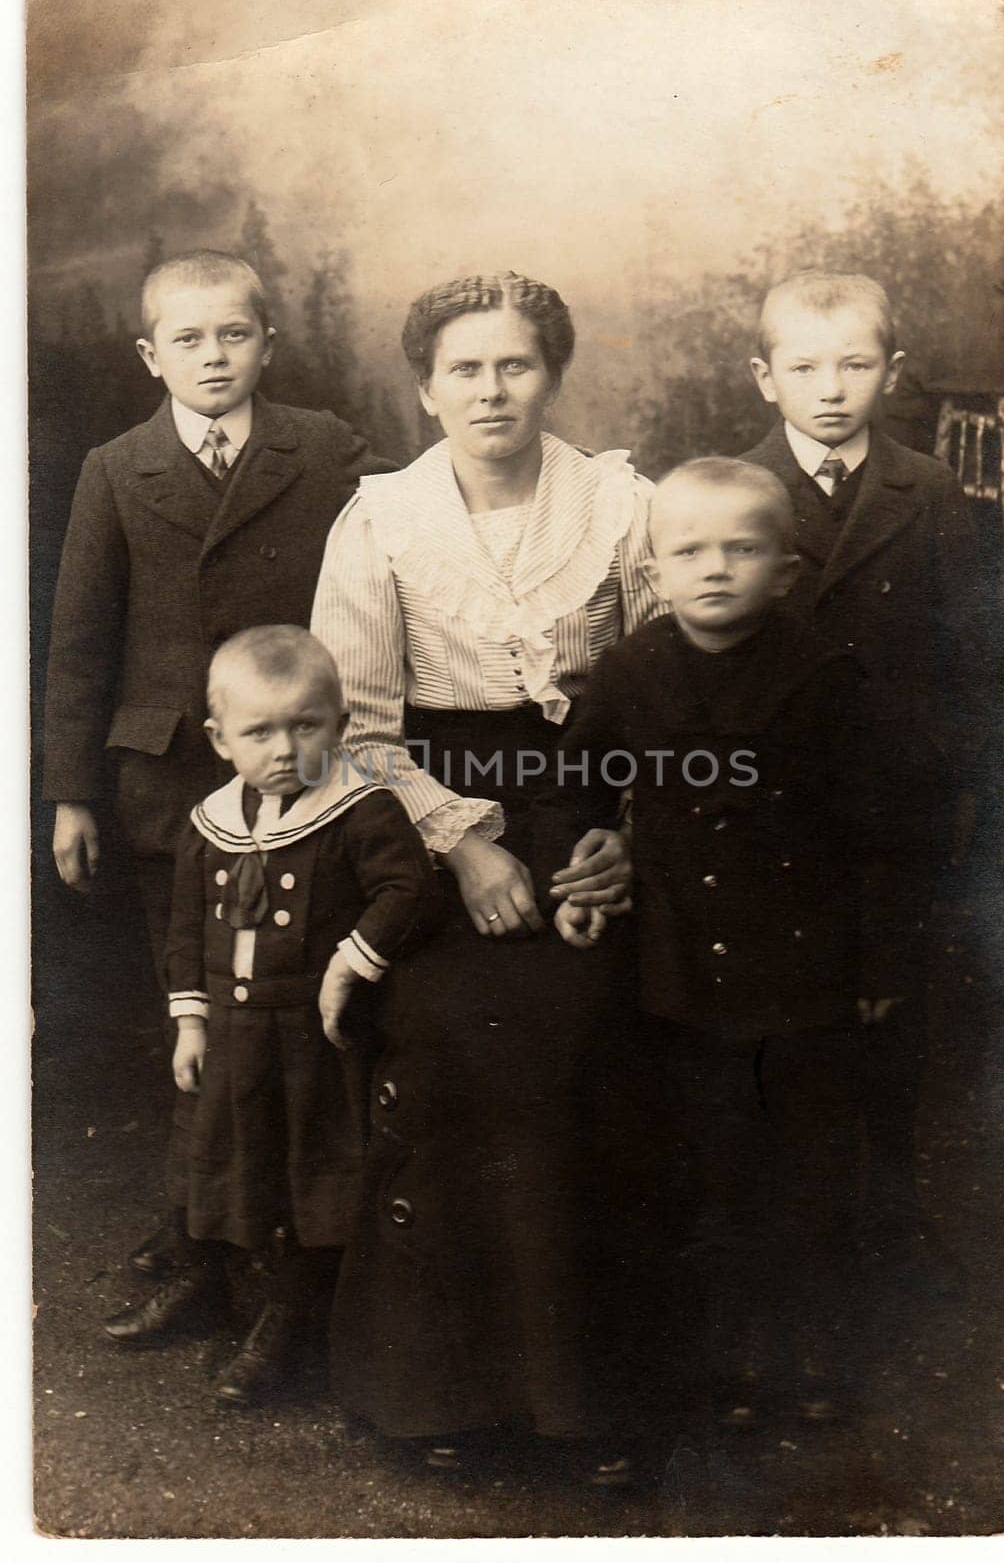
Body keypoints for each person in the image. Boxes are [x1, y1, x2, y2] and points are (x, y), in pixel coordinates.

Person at [310, 271, 663, 1481]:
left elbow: (670, 693)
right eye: (464, 368)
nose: (491, 389)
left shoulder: (622, 504)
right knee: (449, 1028)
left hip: (590, 802)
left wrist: (629, 839)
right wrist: (459, 844)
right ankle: (437, 1392)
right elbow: (352, 725)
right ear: (425, 387)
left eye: (515, 364)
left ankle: (592, 1399)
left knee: (586, 1031)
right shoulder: (379, 520)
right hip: (422, 815)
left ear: (551, 374)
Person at [540, 458, 923, 1427]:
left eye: (744, 549)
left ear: (787, 569)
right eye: (690, 551)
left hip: (804, 968)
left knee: (812, 1166)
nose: (716, 569)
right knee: (709, 1161)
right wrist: (589, 855)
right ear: (655, 571)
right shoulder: (631, 671)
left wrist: (878, 964)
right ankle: (727, 1354)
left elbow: (881, 834)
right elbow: (577, 786)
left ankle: (818, 1352)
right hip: (680, 965)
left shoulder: (825, 675)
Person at [43, 250, 393, 1279]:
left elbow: (395, 555)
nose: (212, 356)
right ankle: (196, 1224)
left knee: (292, 1013)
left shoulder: (322, 447)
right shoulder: (116, 466)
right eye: (187, 340)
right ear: (151, 355)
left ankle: (299, 1242)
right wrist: (70, 794)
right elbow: (77, 641)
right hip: (167, 784)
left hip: (299, 767)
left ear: (268, 344)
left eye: (233, 334)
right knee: (194, 1006)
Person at [739, 270, 1001, 1276]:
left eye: (855, 364)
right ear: (766, 379)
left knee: (894, 1001)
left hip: (897, 795)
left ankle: (890, 1201)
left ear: (893, 372)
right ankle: (782, 1216)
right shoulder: (736, 484)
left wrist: (963, 778)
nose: (832, 388)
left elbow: (970, 648)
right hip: (774, 793)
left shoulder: (927, 488)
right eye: (805, 367)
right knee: (781, 1002)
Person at [102, 627, 437, 1407]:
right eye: (260, 732)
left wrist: (354, 958)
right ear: (221, 740)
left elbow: (409, 891)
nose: (285, 749)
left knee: (305, 1173)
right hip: (230, 1031)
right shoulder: (212, 821)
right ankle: (206, 1283)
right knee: (214, 1156)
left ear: (341, 722)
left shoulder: (358, 809)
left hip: (309, 1041)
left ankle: (293, 1317)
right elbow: (187, 931)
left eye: (306, 725)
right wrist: (190, 1023)